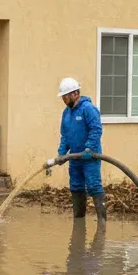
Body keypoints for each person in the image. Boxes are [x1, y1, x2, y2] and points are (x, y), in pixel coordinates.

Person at [51, 77, 106, 221]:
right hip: (74, 157)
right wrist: (62, 153)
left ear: (75, 93)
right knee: (76, 186)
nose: (63, 100)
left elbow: (96, 129)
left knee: (93, 186)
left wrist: (89, 148)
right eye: (63, 97)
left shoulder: (88, 109)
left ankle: (102, 223)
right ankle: (79, 222)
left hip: (90, 156)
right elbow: (65, 136)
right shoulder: (66, 113)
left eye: (65, 96)